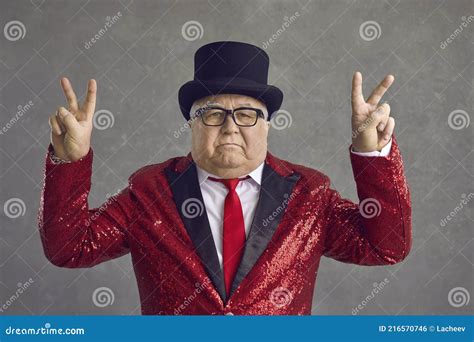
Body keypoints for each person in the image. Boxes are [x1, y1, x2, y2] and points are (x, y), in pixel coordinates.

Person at [38, 41, 412, 315]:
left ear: (266, 127)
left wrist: (372, 154)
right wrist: (70, 159)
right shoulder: (149, 190)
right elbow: (69, 248)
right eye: (213, 113)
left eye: (247, 113)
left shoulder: (309, 194)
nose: (231, 127)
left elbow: (386, 247)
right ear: (191, 125)